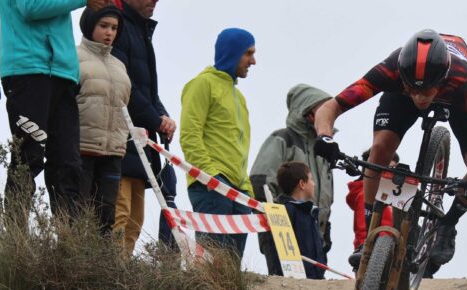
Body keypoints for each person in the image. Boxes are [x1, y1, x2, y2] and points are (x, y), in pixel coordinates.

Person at [314, 29, 467, 267]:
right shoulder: (389, 70)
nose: (420, 98)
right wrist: (325, 137)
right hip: (401, 94)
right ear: (402, 77)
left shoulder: (464, 84)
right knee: (380, 148)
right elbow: (330, 108)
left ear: (440, 81)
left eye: (426, 90)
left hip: (455, 98)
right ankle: (371, 229)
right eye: (413, 88)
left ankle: (449, 223)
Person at [0, 0, 115, 227]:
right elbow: (30, 7)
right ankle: (15, 241)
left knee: (68, 163)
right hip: (28, 71)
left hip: (63, 75)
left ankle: (68, 245)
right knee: (27, 158)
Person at [180, 27, 255, 261]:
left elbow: (238, 147)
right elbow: (189, 135)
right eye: (248, 54)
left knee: (231, 269)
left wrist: (247, 188)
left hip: (238, 190)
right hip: (211, 186)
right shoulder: (202, 84)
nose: (254, 61)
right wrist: (211, 176)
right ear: (232, 53)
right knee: (211, 266)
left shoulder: (239, 97)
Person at [112, 0, 175, 254]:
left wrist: (162, 115)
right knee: (120, 213)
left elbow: (149, 92)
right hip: (118, 137)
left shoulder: (141, 29)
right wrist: (156, 119)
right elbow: (124, 86)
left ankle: (122, 277)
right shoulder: (118, 25)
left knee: (135, 219)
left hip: (142, 141)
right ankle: (110, 275)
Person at [250, 84, 334, 273]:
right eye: (323, 108)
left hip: (315, 239)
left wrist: (325, 233)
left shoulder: (323, 150)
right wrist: (276, 225)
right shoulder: (282, 139)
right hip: (283, 235)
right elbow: (259, 181)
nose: (328, 114)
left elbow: (326, 198)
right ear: (306, 109)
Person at [76, 3, 131, 235]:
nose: (110, 32)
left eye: (114, 27)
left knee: (106, 217)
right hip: (82, 149)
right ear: (89, 25)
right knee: (76, 216)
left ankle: (102, 269)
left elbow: (125, 107)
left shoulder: (120, 66)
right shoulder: (73, 57)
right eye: (103, 25)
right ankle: (71, 266)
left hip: (113, 152)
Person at [262, 162, 326, 279]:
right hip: (294, 278)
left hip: (315, 278)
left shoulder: (309, 212)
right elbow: (277, 247)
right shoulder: (284, 210)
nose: (314, 184)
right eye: (311, 180)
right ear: (302, 184)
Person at [345, 149, 398, 270]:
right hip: (374, 257)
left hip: (386, 254)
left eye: (393, 170)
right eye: (385, 169)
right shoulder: (365, 195)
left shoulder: (389, 195)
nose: (390, 174)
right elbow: (363, 230)